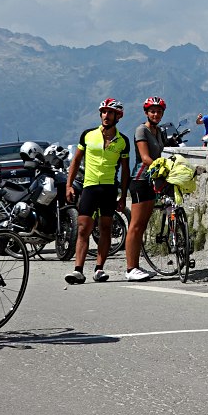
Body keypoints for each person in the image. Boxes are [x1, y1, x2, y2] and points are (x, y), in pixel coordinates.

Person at [65, 98, 131, 285]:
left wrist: (123, 195)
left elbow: (125, 171)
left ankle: (99, 269)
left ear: (118, 116)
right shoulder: (88, 135)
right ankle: (78, 270)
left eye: (110, 113)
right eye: (103, 112)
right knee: (83, 228)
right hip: (90, 187)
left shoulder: (123, 141)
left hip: (110, 188)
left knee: (105, 229)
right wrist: (68, 185)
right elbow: (76, 161)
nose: (105, 116)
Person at [124, 96, 168, 282]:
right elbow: (145, 157)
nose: (156, 114)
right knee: (135, 225)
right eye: (152, 111)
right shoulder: (141, 130)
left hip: (152, 181)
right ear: (146, 113)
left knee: (142, 225)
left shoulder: (159, 131)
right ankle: (130, 268)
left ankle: (135, 266)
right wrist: (165, 167)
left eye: (159, 111)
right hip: (141, 179)